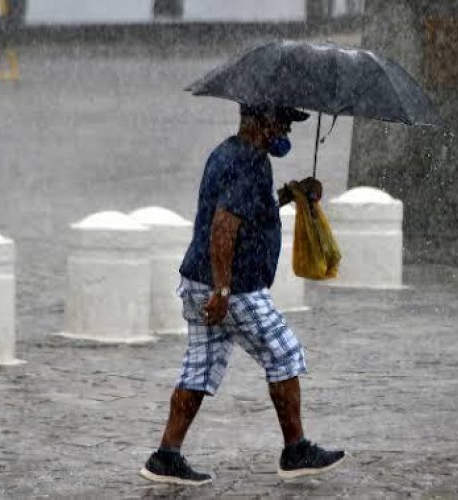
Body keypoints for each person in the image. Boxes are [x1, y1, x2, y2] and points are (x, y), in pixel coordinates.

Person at [139, 104, 345, 486]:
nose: (286, 129)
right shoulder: (249, 162)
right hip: (234, 287)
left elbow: (250, 209)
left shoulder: (228, 152)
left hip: (199, 279)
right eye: (282, 120)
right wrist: (223, 290)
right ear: (259, 120)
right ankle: (296, 449)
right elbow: (223, 227)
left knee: (199, 367)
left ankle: (166, 455)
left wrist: (292, 194)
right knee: (284, 353)